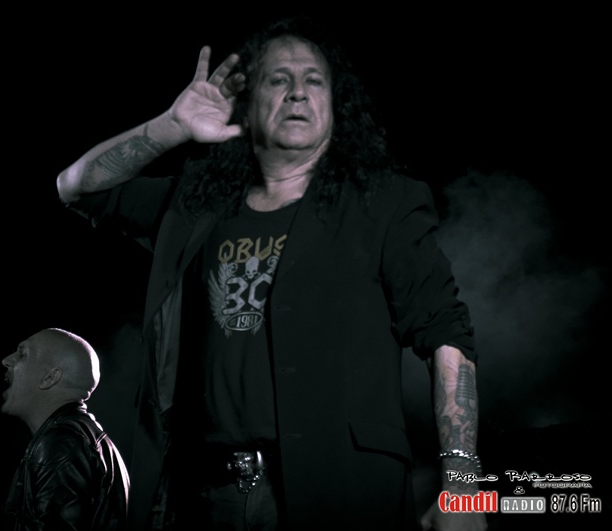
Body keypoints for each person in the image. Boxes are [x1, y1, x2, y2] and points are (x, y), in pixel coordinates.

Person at [56, 16, 486, 531]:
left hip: (342, 494)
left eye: (314, 80)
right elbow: (75, 187)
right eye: (278, 79)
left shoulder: (384, 204)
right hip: (204, 499)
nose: (298, 92)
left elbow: (446, 335)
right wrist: (172, 125)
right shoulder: (197, 206)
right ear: (248, 102)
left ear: (335, 104)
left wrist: (464, 487)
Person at [0, 328, 130, 530]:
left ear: (50, 378)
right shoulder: (77, 437)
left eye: (22, 354)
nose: (6, 360)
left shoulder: (63, 443)